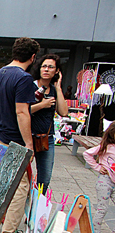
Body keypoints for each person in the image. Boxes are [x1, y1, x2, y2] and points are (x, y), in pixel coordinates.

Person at [0, 37, 39, 233]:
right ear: (33, 57)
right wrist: (29, 144)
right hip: (12, 140)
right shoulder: (24, 79)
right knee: (20, 185)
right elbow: (22, 112)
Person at [30, 54, 68, 191]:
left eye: (51, 67)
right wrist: (42, 105)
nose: (46, 69)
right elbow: (21, 111)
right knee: (21, 175)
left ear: (56, 71)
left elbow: (64, 112)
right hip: (26, 136)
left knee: (44, 179)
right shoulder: (30, 85)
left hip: (46, 138)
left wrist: (58, 89)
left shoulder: (53, 89)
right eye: (44, 66)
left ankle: (37, 207)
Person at [83, 123, 115, 233]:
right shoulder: (106, 147)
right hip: (105, 181)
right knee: (102, 209)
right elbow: (87, 154)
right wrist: (97, 167)